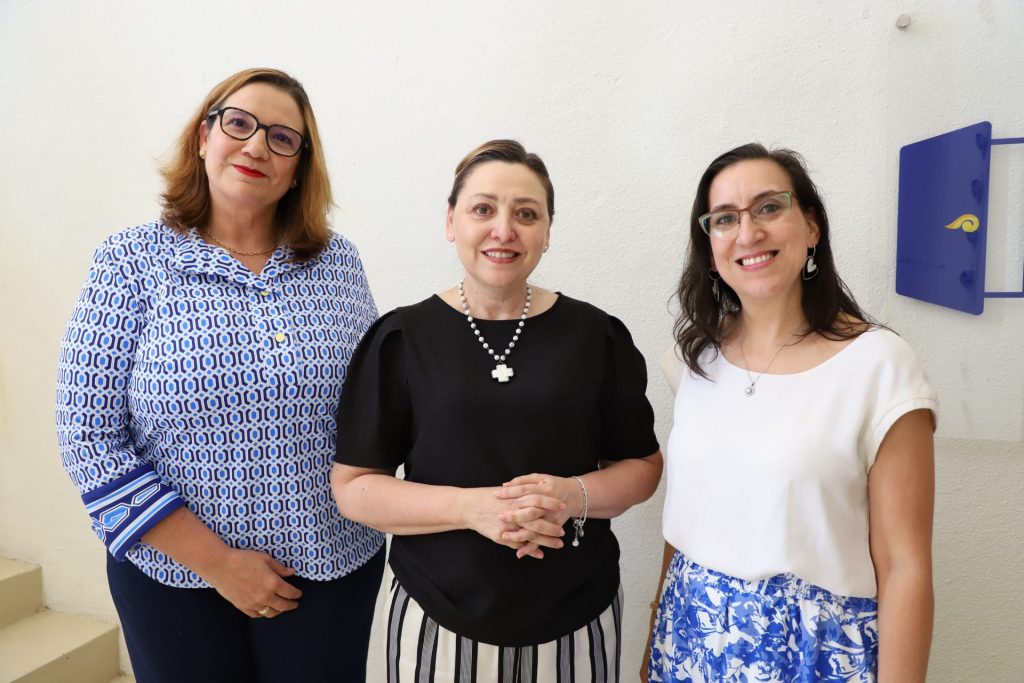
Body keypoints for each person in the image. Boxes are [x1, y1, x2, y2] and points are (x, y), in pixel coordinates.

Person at [56, 68, 384, 682]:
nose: (257, 146)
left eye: (282, 138)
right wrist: (219, 564)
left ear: (299, 167)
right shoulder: (130, 261)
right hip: (175, 579)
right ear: (204, 137)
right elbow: (88, 437)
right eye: (239, 124)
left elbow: (374, 408)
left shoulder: (337, 262)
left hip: (331, 568)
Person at [331, 139, 663, 682]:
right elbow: (354, 488)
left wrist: (570, 496)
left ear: (547, 232)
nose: (503, 230)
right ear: (451, 222)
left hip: (579, 615)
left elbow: (643, 469)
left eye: (526, 214)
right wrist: (472, 509)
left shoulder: (597, 335)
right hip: (435, 615)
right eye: (483, 209)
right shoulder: (401, 338)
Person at [644, 144, 938, 682]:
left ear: (811, 227)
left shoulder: (879, 365)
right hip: (689, 640)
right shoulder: (694, 359)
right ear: (710, 247)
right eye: (724, 218)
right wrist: (653, 640)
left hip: (815, 655)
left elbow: (905, 567)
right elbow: (685, 523)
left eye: (769, 207)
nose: (748, 232)